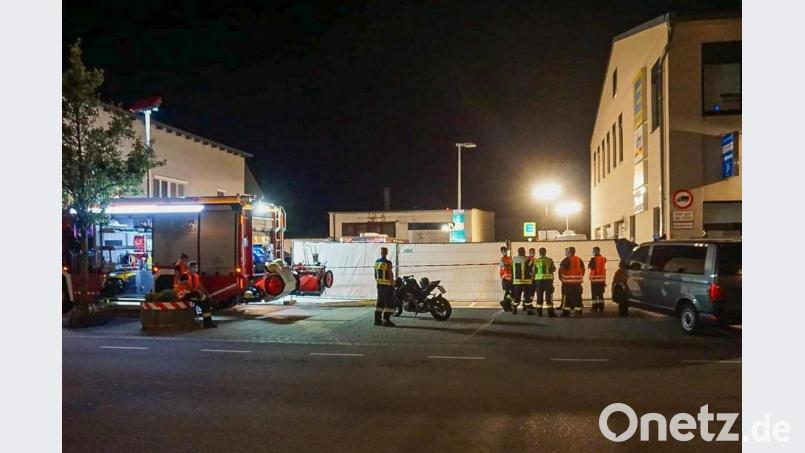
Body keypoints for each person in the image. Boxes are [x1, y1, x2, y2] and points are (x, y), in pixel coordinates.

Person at [175, 261, 216, 328]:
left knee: (206, 302)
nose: (196, 269)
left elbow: (200, 286)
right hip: (183, 294)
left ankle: (208, 323)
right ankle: (207, 323)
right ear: (190, 268)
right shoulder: (185, 275)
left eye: (196, 267)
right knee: (203, 299)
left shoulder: (196, 276)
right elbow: (189, 287)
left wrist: (208, 294)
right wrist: (199, 292)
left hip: (192, 294)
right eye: (195, 267)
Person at [559, 246, 585, 317]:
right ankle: (579, 310)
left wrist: (561, 278)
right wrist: (580, 277)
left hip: (568, 283)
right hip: (577, 283)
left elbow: (561, 270)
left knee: (567, 298)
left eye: (567, 251)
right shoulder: (579, 259)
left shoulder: (566, 260)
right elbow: (583, 269)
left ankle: (566, 312)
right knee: (578, 297)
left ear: (569, 252)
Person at [373, 247, 396, 327]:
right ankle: (386, 320)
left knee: (380, 303)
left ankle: (377, 320)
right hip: (387, 286)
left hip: (379, 285)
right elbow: (389, 274)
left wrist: (379, 282)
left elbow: (375, 275)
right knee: (390, 304)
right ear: (386, 253)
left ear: (381, 253)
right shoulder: (388, 262)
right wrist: (392, 283)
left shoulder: (377, 262)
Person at [533, 247, 557, 317]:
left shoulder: (536, 261)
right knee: (548, 297)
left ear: (539, 253)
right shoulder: (550, 260)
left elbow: (534, 270)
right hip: (548, 281)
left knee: (539, 297)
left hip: (539, 281)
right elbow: (554, 269)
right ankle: (550, 313)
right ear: (545, 252)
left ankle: (539, 313)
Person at [511, 247, 534, 315]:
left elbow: (511, 270)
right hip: (526, 281)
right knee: (527, 296)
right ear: (524, 252)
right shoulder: (527, 259)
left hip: (516, 281)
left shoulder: (514, 259)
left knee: (517, 296)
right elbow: (531, 268)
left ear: (518, 252)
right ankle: (529, 310)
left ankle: (514, 308)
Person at [588, 246, 607, 312]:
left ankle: (594, 307)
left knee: (594, 295)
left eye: (593, 251)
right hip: (601, 280)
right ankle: (601, 307)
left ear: (596, 251)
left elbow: (590, 266)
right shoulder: (603, 259)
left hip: (595, 280)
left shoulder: (593, 259)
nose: (593, 252)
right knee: (600, 294)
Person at [499, 246, 514, 311]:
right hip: (505, 278)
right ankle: (507, 306)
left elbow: (512, 266)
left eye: (505, 251)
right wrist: (509, 265)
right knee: (507, 292)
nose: (505, 252)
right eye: (503, 251)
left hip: (510, 278)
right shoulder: (502, 259)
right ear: (501, 252)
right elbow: (504, 266)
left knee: (511, 293)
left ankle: (505, 303)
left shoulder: (510, 258)